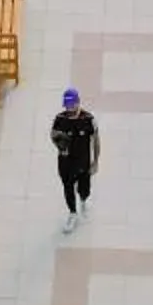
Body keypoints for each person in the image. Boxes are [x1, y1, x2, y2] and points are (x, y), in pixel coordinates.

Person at [51, 87, 101, 232]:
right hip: (65, 163)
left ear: (78, 102)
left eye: (72, 105)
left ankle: (84, 200)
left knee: (84, 189)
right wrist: (60, 145)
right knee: (68, 189)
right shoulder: (60, 119)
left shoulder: (89, 120)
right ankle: (72, 213)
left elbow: (96, 141)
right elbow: (53, 134)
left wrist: (95, 161)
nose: (69, 109)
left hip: (83, 163)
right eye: (67, 106)